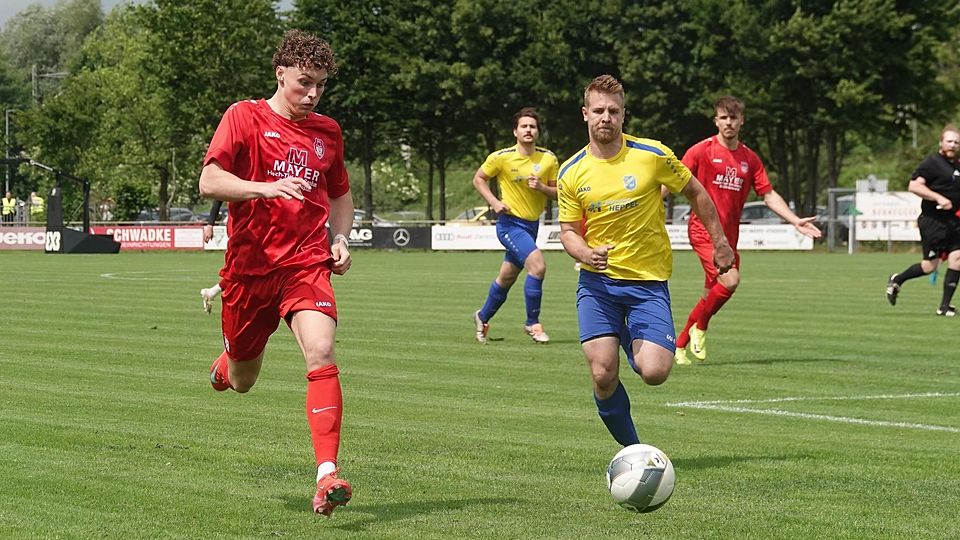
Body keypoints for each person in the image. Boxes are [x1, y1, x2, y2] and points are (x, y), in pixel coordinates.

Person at [198, 29, 355, 517]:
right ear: (279, 72)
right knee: (244, 380)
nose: (312, 95)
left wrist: (341, 237)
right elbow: (209, 180)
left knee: (322, 350)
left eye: (321, 86)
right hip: (249, 270)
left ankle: (326, 474)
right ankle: (227, 362)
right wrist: (263, 188)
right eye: (304, 83)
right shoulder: (243, 117)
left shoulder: (327, 131)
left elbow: (341, 194)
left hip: (306, 264)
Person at [557, 74, 734, 447]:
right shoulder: (571, 171)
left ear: (624, 115)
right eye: (599, 110)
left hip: (647, 284)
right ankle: (635, 453)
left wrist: (720, 243)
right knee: (603, 373)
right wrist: (586, 253)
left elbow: (697, 192)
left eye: (614, 111)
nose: (606, 117)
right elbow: (569, 231)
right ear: (585, 114)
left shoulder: (652, 155)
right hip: (597, 285)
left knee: (654, 372)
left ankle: (625, 331)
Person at [673, 96, 821, 365]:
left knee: (710, 295)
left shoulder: (749, 159)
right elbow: (670, 182)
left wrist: (794, 219)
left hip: (729, 239)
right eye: (723, 118)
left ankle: (680, 345)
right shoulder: (701, 151)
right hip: (703, 231)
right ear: (716, 120)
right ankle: (701, 327)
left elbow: (768, 194)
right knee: (730, 281)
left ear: (742, 121)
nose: (728, 123)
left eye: (733, 118)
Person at [471, 107, 559, 344]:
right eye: (524, 126)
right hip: (509, 225)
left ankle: (482, 316)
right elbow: (478, 178)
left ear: (538, 132)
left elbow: (557, 192)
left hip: (532, 226)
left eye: (533, 126)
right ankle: (533, 323)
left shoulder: (548, 158)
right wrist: (494, 203)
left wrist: (542, 188)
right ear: (515, 131)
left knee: (507, 278)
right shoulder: (502, 157)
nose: (528, 130)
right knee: (538, 267)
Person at [885, 125, 960, 316]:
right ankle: (897, 279)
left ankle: (944, 307)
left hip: (954, 222)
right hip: (934, 222)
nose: (953, 144)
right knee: (930, 266)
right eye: (949, 141)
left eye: (956, 142)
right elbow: (914, 186)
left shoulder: (957, 165)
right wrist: (938, 198)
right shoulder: (932, 163)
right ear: (941, 143)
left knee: (957, 259)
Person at [200, 199, 225, 314]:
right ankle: (211, 292)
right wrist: (210, 224)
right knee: (242, 271)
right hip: (244, 229)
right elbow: (218, 198)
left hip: (259, 228)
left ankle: (211, 292)